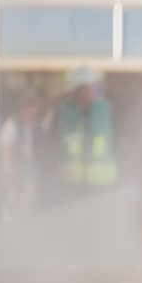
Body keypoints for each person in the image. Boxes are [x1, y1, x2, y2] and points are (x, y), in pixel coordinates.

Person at [52, 66, 118, 204]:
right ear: (77, 90)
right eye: (88, 87)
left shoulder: (104, 110)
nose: (92, 91)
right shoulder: (64, 112)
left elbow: (119, 141)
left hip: (102, 184)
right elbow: (52, 144)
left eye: (94, 87)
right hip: (71, 185)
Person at [0, 87, 50, 220]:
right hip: (16, 176)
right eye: (32, 106)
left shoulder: (38, 127)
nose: (35, 110)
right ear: (25, 107)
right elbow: (6, 153)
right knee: (14, 210)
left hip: (32, 175)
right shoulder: (12, 124)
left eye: (37, 106)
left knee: (30, 209)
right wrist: (9, 178)